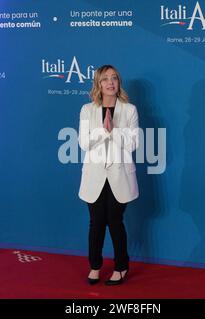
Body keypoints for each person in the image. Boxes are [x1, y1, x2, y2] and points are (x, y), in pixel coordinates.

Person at [78, 65, 139, 285]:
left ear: (118, 82)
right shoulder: (87, 109)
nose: (110, 82)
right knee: (96, 223)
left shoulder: (129, 109)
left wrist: (115, 130)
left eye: (114, 78)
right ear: (98, 84)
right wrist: (103, 130)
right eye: (105, 79)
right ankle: (95, 267)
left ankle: (121, 267)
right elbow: (84, 142)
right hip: (94, 176)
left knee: (115, 221)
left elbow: (133, 143)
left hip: (119, 175)